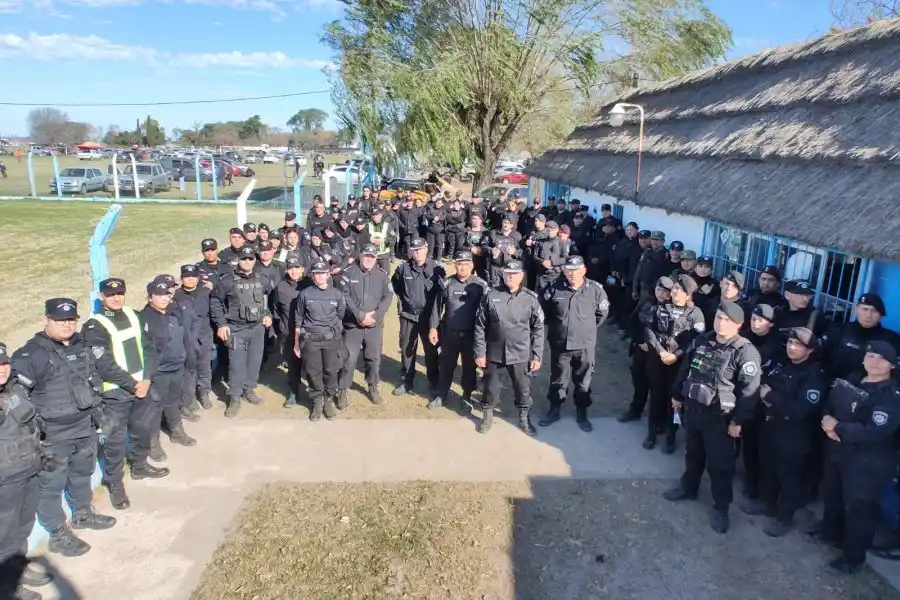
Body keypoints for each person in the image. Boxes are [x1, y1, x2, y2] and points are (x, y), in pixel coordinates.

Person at [12, 299, 117, 557]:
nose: (67, 325)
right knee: (51, 486)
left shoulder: (81, 346)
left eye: (71, 320)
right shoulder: (31, 355)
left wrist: (99, 414)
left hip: (83, 426)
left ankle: (82, 514)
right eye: (60, 321)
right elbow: (18, 397)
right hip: (53, 435)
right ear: (45, 320)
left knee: (82, 473)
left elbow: (91, 381)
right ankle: (58, 534)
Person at [662, 301, 762, 534]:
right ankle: (689, 488)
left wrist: (738, 421)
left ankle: (721, 508)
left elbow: (750, 392)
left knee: (720, 465)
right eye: (718, 317)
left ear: (738, 325)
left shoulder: (745, 351)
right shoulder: (702, 340)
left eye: (727, 320)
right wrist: (677, 394)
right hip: (694, 409)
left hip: (720, 419)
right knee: (693, 453)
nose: (720, 323)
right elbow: (686, 369)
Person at [81, 278, 168, 513]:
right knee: (115, 442)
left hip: (142, 388)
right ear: (102, 297)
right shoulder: (94, 326)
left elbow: (148, 348)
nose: (116, 298)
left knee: (143, 430)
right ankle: (115, 483)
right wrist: (133, 384)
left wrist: (146, 379)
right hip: (116, 394)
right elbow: (104, 364)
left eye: (120, 293)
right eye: (111, 295)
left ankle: (139, 466)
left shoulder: (132, 315)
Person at [816, 341, 900, 574]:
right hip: (838, 450)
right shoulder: (853, 378)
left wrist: (837, 427)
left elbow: (873, 431)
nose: (874, 362)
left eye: (881, 359)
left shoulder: (891, 396)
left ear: (891, 365)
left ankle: (853, 559)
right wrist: (827, 420)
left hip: (868, 462)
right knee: (833, 495)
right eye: (871, 356)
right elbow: (831, 401)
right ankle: (830, 533)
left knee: (858, 511)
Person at [742, 327, 827, 538]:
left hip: (794, 435)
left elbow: (801, 409)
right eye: (790, 343)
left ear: (810, 350)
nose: (791, 347)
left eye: (798, 345)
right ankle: (768, 504)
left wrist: (771, 397)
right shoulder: (782, 364)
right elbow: (765, 382)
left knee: (788, 477)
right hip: (771, 426)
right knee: (768, 468)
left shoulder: (814, 375)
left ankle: (784, 518)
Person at [0, 341, 52, 600]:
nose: (2, 369)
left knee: (23, 527)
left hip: (28, 469)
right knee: (4, 536)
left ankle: (17, 570)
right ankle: (6, 587)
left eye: (4, 363)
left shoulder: (16, 388)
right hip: (4, 480)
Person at [538, 255, 610, 432]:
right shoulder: (554, 288)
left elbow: (601, 314)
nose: (572, 274)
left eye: (576, 271)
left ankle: (581, 412)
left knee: (583, 381)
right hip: (560, 344)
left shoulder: (595, 290)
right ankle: (554, 409)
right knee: (558, 379)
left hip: (584, 345)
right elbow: (544, 311)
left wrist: (585, 329)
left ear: (584, 270)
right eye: (569, 270)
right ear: (564, 271)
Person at [474, 260, 545, 435]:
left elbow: (538, 329)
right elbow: (480, 326)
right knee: (490, 388)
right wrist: (480, 352)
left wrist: (537, 355)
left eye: (514, 274)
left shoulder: (530, 298)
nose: (510, 277)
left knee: (523, 389)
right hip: (495, 353)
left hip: (520, 354)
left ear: (521, 276)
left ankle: (524, 418)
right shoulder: (491, 295)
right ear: (503, 275)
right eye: (507, 274)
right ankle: (487, 415)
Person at [643, 275, 706, 453]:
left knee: (675, 400)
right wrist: (661, 352)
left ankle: (671, 435)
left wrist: (676, 356)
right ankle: (652, 433)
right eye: (675, 288)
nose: (674, 291)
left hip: (679, 364)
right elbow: (649, 330)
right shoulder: (660, 307)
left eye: (679, 289)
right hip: (658, 359)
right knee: (656, 396)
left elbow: (695, 340)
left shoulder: (695, 314)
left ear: (688, 294)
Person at [210, 246, 273, 417]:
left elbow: (268, 299)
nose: (247, 261)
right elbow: (215, 302)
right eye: (243, 258)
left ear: (255, 260)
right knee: (236, 364)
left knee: (254, 362)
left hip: (258, 328)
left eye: (250, 258)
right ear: (238, 260)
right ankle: (235, 397)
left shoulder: (263, 279)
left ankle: (249, 390)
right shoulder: (227, 280)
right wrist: (221, 324)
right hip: (236, 329)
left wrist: (268, 315)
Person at [141, 281, 196, 454]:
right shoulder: (145, 318)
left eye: (167, 294)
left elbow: (184, 336)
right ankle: (153, 442)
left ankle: (177, 431)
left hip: (177, 367)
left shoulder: (173, 313)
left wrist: (188, 357)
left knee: (173, 401)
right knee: (155, 407)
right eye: (159, 295)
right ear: (150, 298)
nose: (164, 298)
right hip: (159, 372)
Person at [428, 251, 488, 411]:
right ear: (455, 265)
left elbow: (487, 312)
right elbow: (437, 307)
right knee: (446, 365)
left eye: (466, 264)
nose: (462, 267)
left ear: (472, 266)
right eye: (459, 264)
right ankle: (441, 395)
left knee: (469, 367)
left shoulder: (480, 285)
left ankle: (467, 396)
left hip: (471, 335)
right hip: (449, 333)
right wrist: (433, 328)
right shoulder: (447, 283)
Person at [336, 245, 393, 408]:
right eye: (366, 255)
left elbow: (388, 297)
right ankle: (342, 390)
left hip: (374, 326)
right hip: (353, 326)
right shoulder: (348, 273)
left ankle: (372, 386)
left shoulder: (382, 275)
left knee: (373, 358)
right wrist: (360, 315)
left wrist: (374, 316)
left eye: (372, 257)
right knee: (349, 359)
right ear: (360, 256)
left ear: (376, 259)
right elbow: (344, 296)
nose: (369, 259)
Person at [390, 238, 445, 397]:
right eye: (415, 250)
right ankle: (406, 381)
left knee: (431, 352)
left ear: (426, 249)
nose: (418, 252)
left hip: (429, 319)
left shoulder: (437, 269)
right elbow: (396, 287)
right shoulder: (403, 268)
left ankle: (434, 382)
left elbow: (441, 296)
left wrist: (434, 323)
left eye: (420, 249)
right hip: (408, 316)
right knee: (407, 350)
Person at [294, 262, 347, 421]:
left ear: (328, 274)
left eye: (323, 273)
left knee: (330, 371)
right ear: (313, 276)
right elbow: (299, 319)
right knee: (313, 371)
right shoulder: (305, 294)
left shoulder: (337, 294)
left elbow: (340, 315)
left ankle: (328, 399)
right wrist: (296, 343)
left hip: (331, 340)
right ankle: (317, 400)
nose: (320, 276)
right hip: (311, 340)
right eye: (317, 273)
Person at [618, 276, 673, 423]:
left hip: (659, 353)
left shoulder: (672, 309)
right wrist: (639, 341)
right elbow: (632, 321)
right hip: (641, 349)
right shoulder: (647, 302)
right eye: (658, 289)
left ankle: (658, 420)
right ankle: (635, 410)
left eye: (665, 291)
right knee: (639, 382)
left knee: (658, 388)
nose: (660, 293)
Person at [820, 293, 900, 380]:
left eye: (875, 311)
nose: (868, 315)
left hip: (871, 387)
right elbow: (821, 360)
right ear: (856, 309)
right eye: (865, 309)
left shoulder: (892, 339)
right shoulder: (838, 331)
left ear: (881, 315)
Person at [174, 265, 214, 410]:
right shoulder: (176, 296)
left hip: (204, 335)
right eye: (186, 277)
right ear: (181, 279)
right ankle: (190, 398)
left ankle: (204, 393)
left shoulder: (206, 291)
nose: (190, 279)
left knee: (204, 367)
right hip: (186, 337)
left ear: (198, 278)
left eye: (193, 277)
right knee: (188, 369)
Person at [273, 257, 307, 408]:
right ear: (287, 269)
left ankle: (316, 394)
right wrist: (280, 329)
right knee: (293, 365)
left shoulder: (309, 284)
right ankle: (293, 392)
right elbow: (276, 309)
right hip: (288, 333)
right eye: (291, 268)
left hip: (308, 333)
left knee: (312, 365)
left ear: (302, 269)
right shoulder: (280, 287)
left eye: (297, 267)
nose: (294, 271)